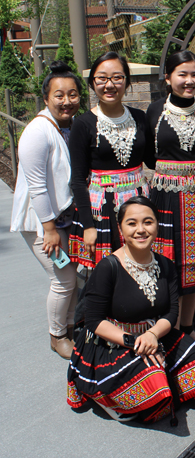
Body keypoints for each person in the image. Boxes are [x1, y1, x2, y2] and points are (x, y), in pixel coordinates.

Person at [67, 196, 195, 422]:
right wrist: (136, 342)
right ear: (120, 228)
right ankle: (111, 399)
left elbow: (171, 313)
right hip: (112, 345)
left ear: (157, 225)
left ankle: (162, 388)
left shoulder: (165, 265)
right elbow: (94, 321)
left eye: (148, 222)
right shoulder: (108, 266)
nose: (141, 230)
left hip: (153, 336)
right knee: (155, 385)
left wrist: (151, 335)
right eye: (132, 223)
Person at [146, 50, 195, 342]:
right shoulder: (154, 111)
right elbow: (148, 158)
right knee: (166, 262)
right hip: (165, 200)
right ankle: (165, 323)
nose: (189, 81)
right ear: (168, 78)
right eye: (182, 74)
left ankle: (186, 326)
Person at [11, 61, 82, 359]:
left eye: (73, 94)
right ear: (46, 98)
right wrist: (49, 229)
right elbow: (38, 186)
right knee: (63, 279)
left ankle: (70, 326)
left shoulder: (68, 126)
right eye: (59, 95)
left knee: (72, 276)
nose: (67, 101)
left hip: (61, 219)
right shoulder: (38, 131)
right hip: (42, 223)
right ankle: (57, 335)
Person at [68, 51, 154, 268]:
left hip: (138, 203)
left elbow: (153, 160)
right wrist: (88, 226)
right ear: (92, 83)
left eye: (117, 77)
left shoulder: (140, 117)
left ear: (127, 82)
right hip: (102, 210)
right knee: (109, 272)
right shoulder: (83, 124)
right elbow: (77, 179)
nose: (109, 85)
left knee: (142, 266)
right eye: (102, 78)